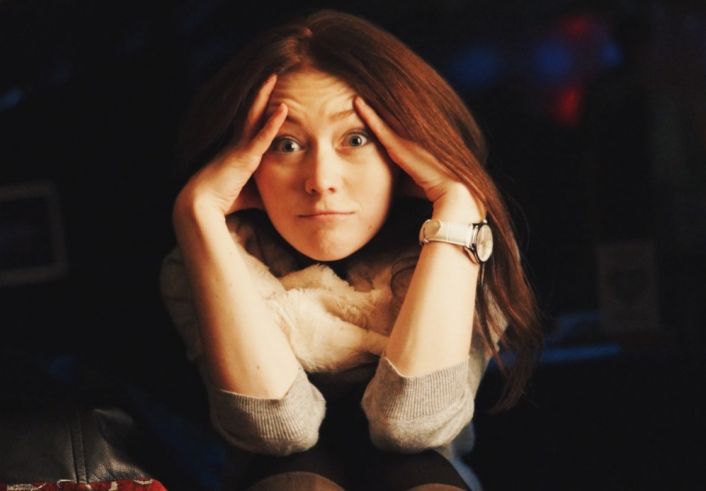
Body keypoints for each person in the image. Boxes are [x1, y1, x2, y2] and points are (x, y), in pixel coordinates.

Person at [159, 9, 542, 491]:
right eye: (286, 145)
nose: (321, 181)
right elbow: (276, 431)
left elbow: (413, 426)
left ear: (407, 153)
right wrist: (198, 213)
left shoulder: (470, 246)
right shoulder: (205, 257)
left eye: (355, 139)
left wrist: (458, 200)